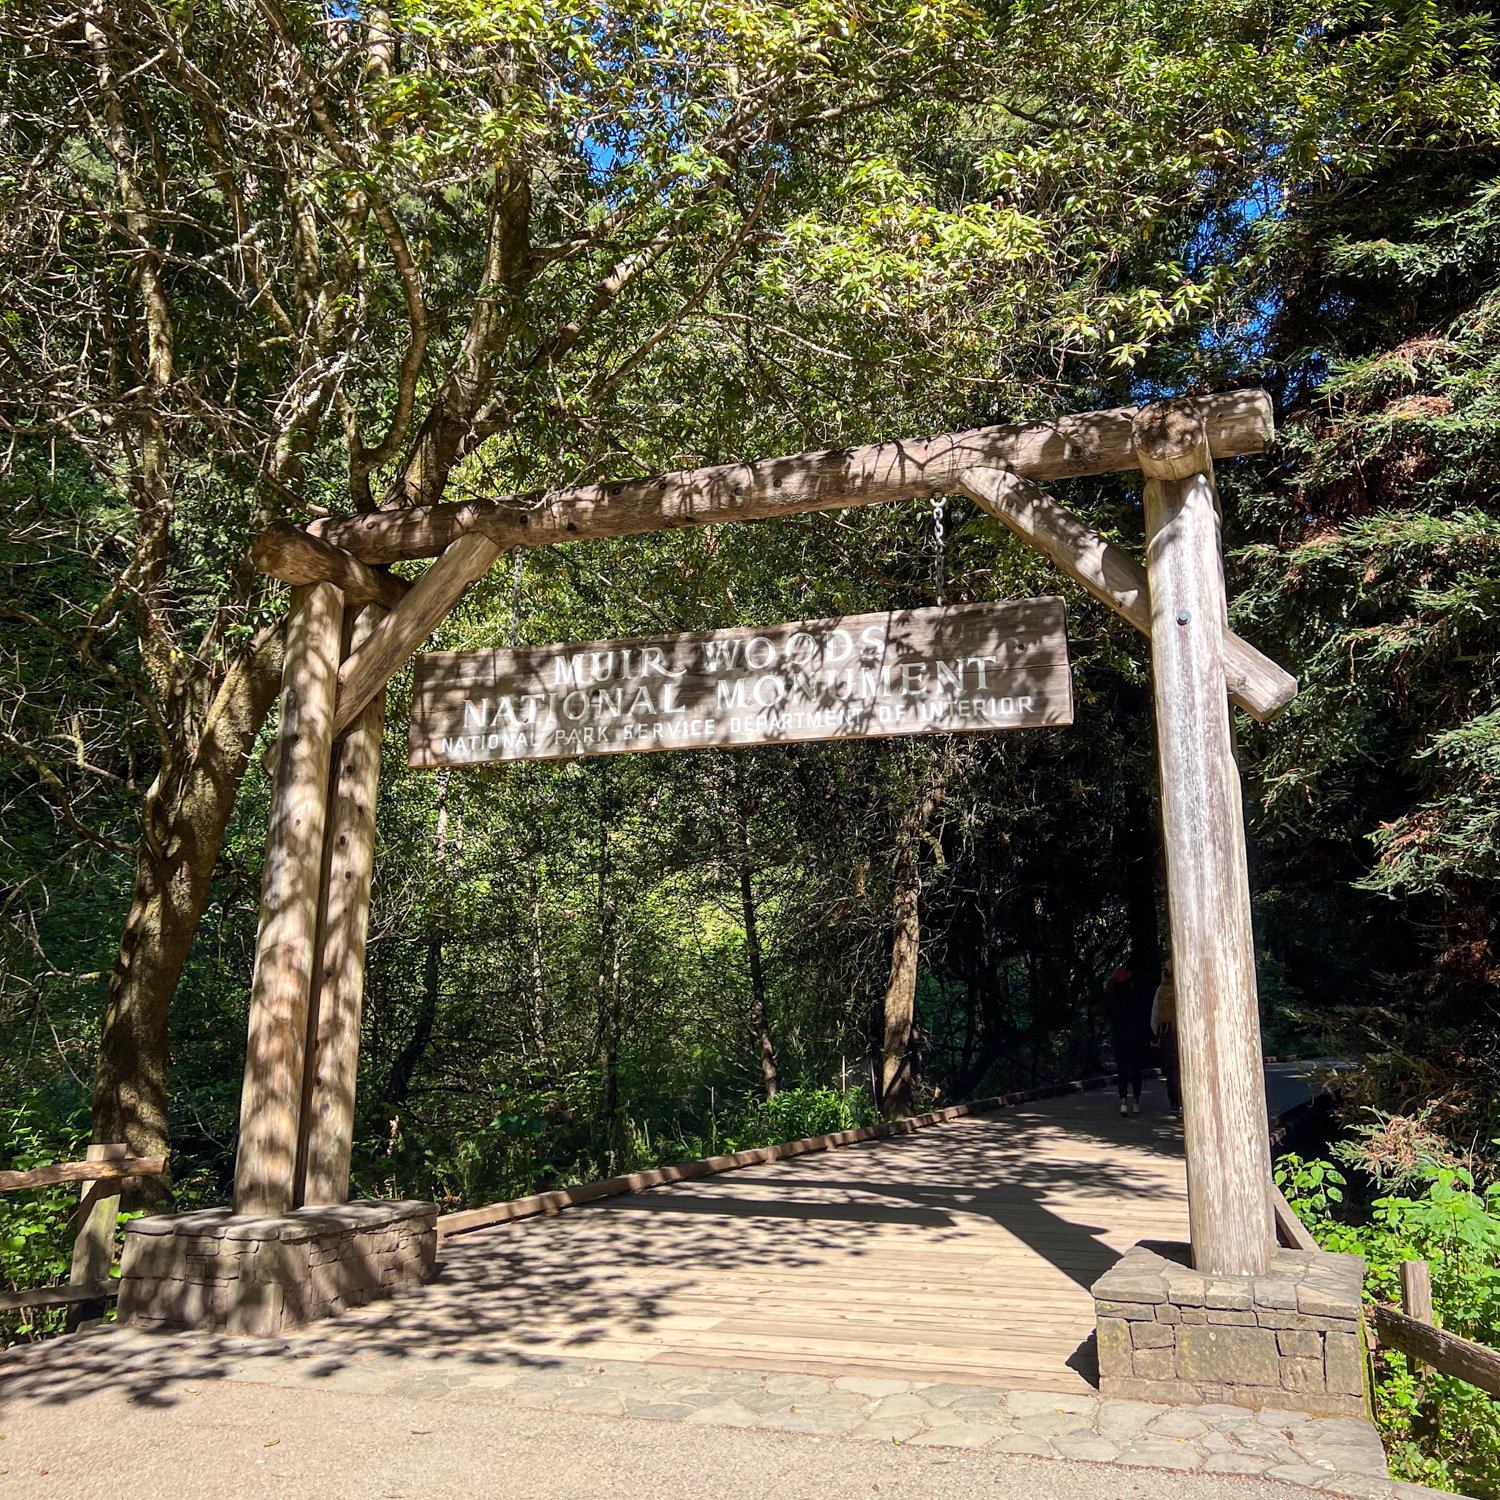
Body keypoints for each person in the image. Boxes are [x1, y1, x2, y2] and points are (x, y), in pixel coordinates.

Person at [1106, 964, 1150, 1116]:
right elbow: (1141, 1016)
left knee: (1122, 1070)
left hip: (1119, 1038)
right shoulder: (1134, 996)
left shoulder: (1113, 999)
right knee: (1136, 1070)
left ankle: (1123, 1102)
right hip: (1134, 1038)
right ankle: (1136, 1102)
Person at [1151, 958, 1181, 1115]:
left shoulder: (1160, 991)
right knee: (1182, 1068)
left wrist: (1156, 1034)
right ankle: (1182, 1099)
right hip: (1181, 1033)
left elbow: (1154, 1017)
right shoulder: (1181, 989)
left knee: (1170, 1069)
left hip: (1166, 1033)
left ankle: (1174, 1102)